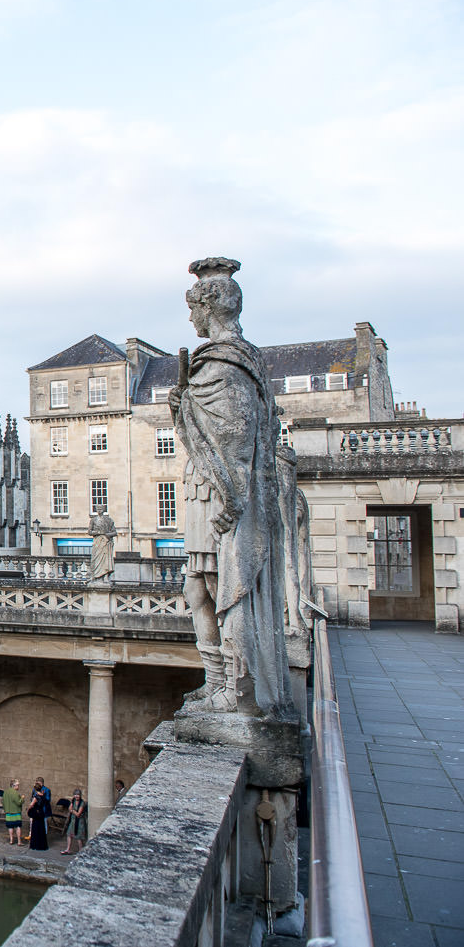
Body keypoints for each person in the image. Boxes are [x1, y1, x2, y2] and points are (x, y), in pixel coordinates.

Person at [169, 256, 292, 716]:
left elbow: (238, 435)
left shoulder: (227, 363)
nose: (190, 317)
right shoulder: (216, 363)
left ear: (211, 306)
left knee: (221, 585)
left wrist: (235, 497)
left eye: (194, 307)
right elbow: (207, 427)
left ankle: (236, 687)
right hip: (203, 487)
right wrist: (182, 404)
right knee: (197, 588)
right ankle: (217, 679)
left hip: (221, 492)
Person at [63, 789, 88, 855]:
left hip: (79, 822)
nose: (76, 796)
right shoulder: (73, 801)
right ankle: (68, 849)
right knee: (69, 834)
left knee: (79, 837)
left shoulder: (82, 803)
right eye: (75, 795)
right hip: (73, 820)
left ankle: (80, 851)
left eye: (78, 795)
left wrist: (72, 811)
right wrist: (73, 811)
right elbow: (69, 808)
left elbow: (78, 814)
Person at [27, 783, 50, 851]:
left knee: (35, 829)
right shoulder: (43, 796)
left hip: (36, 813)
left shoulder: (36, 797)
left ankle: (35, 845)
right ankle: (41, 845)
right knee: (41, 829)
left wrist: (28, 810)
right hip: (41, 813)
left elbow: (31, 805)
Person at [2, 779, 25, 845]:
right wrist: (22, 798)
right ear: (14, 785)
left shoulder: (5, 792)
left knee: (10, 827)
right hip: (16, 812)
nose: (18, 786)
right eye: (18, 785)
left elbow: (3, 802)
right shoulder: (15, 792)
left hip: (8, 813)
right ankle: (19, 841)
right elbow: (19, 803)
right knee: (18, 827)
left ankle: (11, 840)